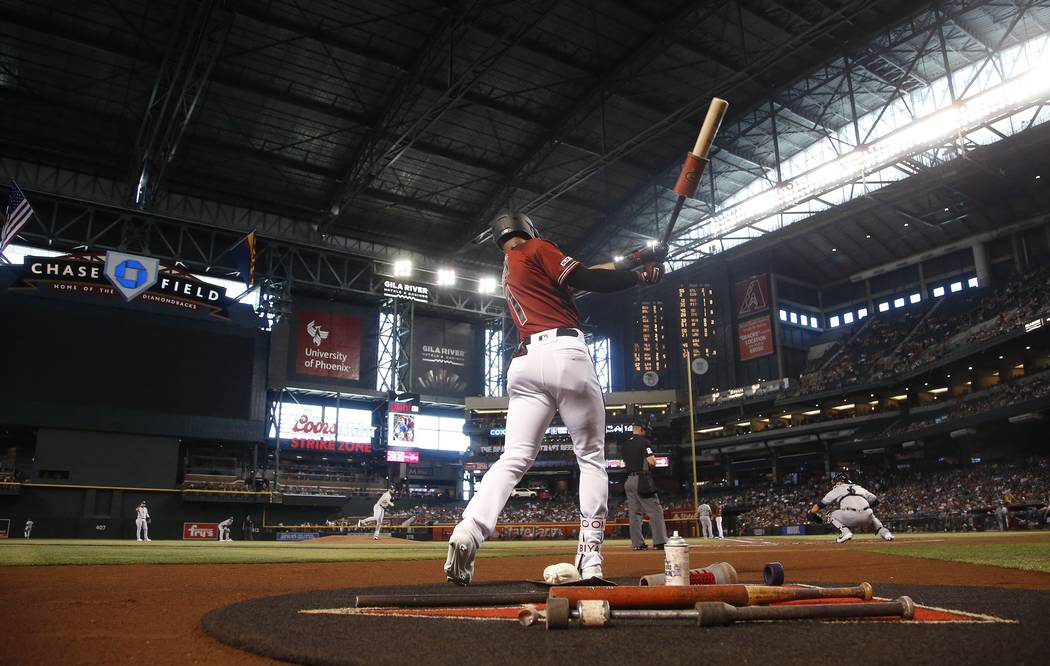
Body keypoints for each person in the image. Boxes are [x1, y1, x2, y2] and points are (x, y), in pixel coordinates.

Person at [444, 212, 665, 585]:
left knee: (513, 457)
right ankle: (591, 558)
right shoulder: (537, 248)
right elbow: (585, 277)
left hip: (525, 363)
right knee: (591, 458)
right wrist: (637, 277)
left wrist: (631, 259)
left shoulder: (511, 266)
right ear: (529, 231)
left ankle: (470, 528)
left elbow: (579, 275)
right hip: (565, 352)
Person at [810, 470, 894, 543]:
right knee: (871, 514)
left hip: (849, 515)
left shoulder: (837, 489)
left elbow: (819, 505)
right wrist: (862, 510)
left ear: (839, 482)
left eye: (835, 482)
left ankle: (845, 533)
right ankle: (886, 533)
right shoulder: (859, 488)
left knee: (830, 514)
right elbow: (876, 501)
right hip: (866, 515)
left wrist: (811, 513)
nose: (834, 484)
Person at [622, 422, 667, 550]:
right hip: (641, 479)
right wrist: (654, 462)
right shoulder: (644, 441)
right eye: (645, 430)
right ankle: (660, 542)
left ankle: (637, 544)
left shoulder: (625, 444)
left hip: (628, 481)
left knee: (634, 514)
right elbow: (651, 461)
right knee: (655, 511)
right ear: (641, 430)